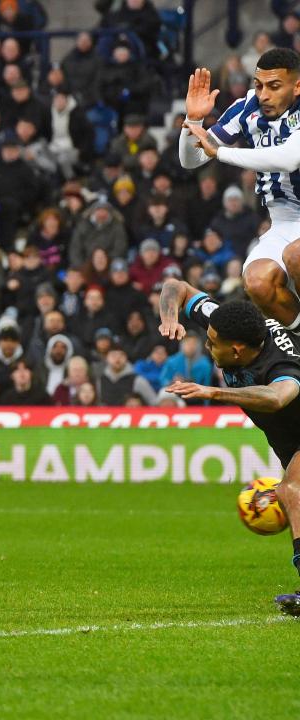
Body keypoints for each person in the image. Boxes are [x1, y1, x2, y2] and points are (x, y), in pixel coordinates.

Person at [159, 276, 300, 616]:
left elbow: (277, 396)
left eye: (212, 345)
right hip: (291, 441)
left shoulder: (281, 363)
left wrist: (214, 393)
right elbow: (175, 286)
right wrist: (170, 317)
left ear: (236, 350)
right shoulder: (226, 322)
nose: (208, 347)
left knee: (293, 490)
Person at [179, 50, 300, 329]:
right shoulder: (247, 107)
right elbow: (192, 159)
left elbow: (289, 157)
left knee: (296, 255)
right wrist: (193, 121)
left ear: (296, 86)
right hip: (283, 221)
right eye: (258, 85)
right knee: (256, 281)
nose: (263, 95)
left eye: (274, 86)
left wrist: (222, 153)